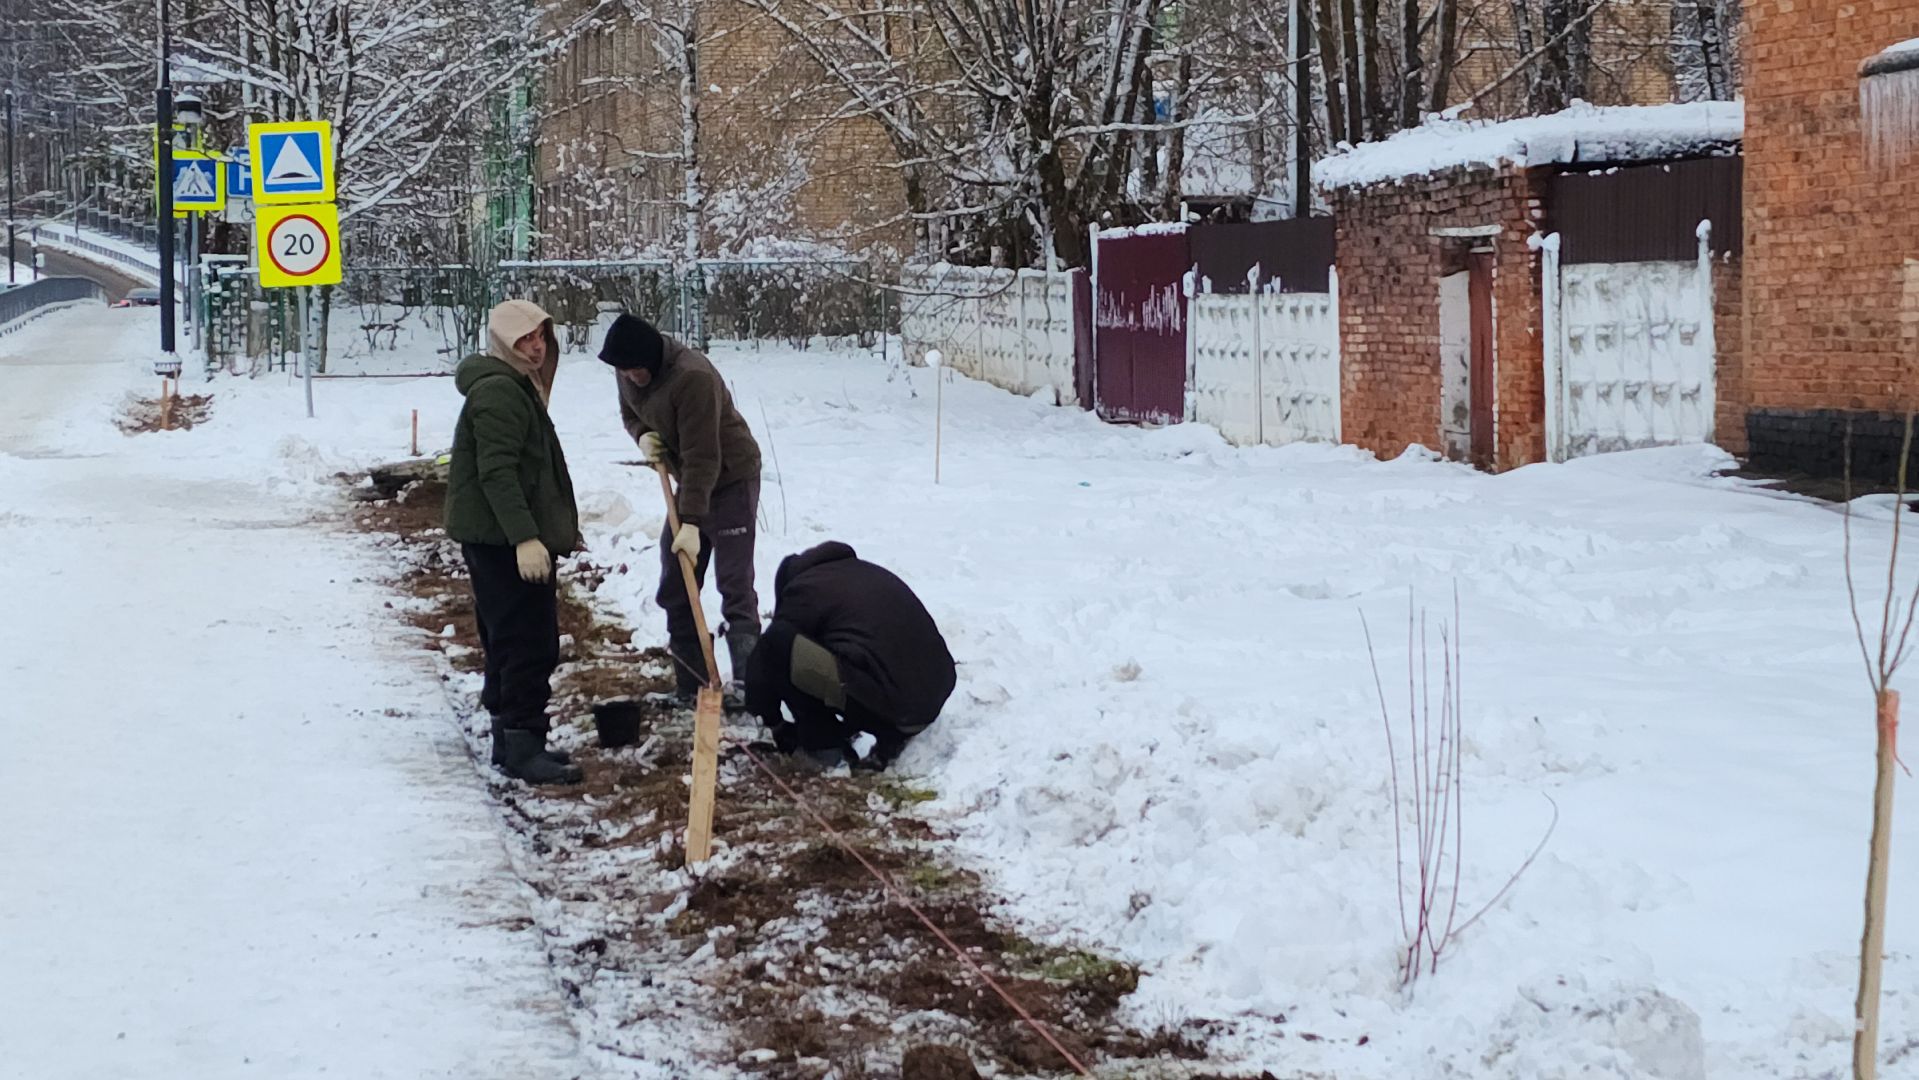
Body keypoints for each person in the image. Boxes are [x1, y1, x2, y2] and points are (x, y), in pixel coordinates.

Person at [443, 299, 584, 785]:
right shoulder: (501, 393)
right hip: (504, 539)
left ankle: (512, 740)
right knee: (528, 642)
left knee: (507, 638)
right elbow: (497, 473)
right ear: (504, 342)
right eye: (524, 339)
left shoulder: (513, 387)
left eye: (541, 336)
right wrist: (525, 537)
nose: (536, 346)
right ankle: (523, 742)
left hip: (496, 535)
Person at [599, 313, 763, 703]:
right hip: (689, 481)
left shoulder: (693, 378)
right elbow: (631, 414)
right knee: (676, 583)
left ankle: (752, 688)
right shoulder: (626, 370)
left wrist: (691, 522)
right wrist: (643, 437)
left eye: (636, 370)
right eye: (624, 371)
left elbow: (703, 456)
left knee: (734, 583)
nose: (630, 377)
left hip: (729, 478)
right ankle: (693, 683)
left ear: (652, 359)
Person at [744, 542, 957, 770]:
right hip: (930, 701)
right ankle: (886, 734)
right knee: (828, 653)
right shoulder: (861, 573)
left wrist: (771, 720)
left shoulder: (805, 590)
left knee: (781, 643)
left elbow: (767, 655)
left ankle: (823, 748)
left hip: (895, 707)